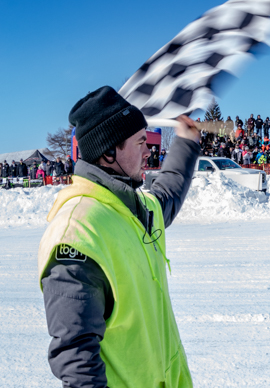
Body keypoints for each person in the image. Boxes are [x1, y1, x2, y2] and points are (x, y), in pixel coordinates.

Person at [38, 86, 200, 387]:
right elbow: (76, 354)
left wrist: (187, 142)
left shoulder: (137, 207)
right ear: (109, 152)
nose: (149, 151)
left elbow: (169, 191)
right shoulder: (77, 231)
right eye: (140, 142)